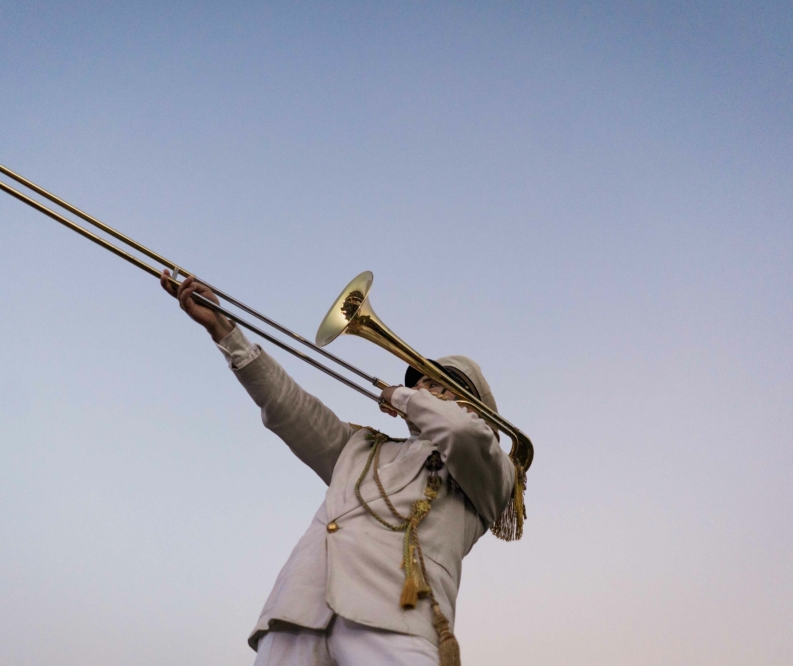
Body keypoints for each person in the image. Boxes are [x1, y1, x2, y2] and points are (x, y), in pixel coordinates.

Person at [162, 272, 525, 666]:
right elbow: (289, 407)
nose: (423, 387)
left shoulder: (493, 469)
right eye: (420, 381)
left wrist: (401, 395)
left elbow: (460, 431)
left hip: (396, 614)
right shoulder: (362, 447)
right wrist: (224, 331)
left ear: (474, 406)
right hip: (299, 609)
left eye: (439, 385)